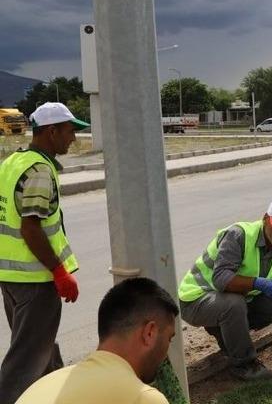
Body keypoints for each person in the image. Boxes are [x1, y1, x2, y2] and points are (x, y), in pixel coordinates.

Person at [0, 102, 88, 404]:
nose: (73, 138)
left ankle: (58, 397)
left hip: (11, 276)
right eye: (69, 131)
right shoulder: (39, 170)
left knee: (42, 349)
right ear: (52, 131)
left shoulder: (14, 162)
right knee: (25, 361)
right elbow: (31, 228)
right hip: (34, 280)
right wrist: (59, 271)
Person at [177, 198, 272, 381]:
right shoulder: (239, 235)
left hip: (226, 300)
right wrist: (258, 283)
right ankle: (244, 364)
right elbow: (221, 279)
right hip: (195, 299)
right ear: (266, 218)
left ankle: (224, 332)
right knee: (234, 305)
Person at [16, 277, 177, 404]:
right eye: (169, 338)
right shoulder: (141, 397)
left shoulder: (48, 383)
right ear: (149, 333)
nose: (166, 354)